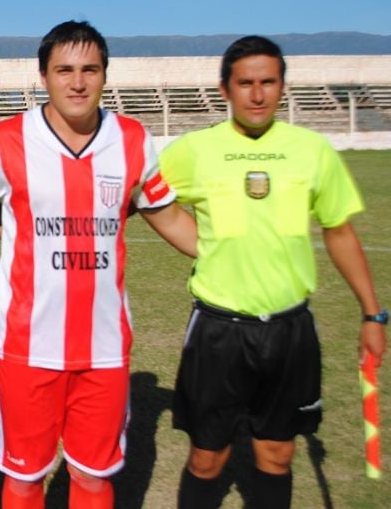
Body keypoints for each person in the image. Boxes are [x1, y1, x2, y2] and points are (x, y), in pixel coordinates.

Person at [0, 20, 197, 509]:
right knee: (24, 479)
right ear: (44, 76)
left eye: (89, 70)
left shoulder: (132, 139)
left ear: (105, 75)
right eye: (64, 70)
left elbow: (169, 218)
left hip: (104, 347)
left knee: (94, 477)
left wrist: (232, 251)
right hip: (26, 345)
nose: (77, 82)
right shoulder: (8, 138)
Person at [160, 35, 387, 508]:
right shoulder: (194, 150)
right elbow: (145, 196)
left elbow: (338, 230)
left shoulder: (312, 150)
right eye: (246, 83)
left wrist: (372, 314)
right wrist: (194, 241)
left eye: (268, 82)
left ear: (283, 86)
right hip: (219, 330)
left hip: (290, 328)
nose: (258, 94)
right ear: (225, 89)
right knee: (207, 458)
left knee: (278, 454)